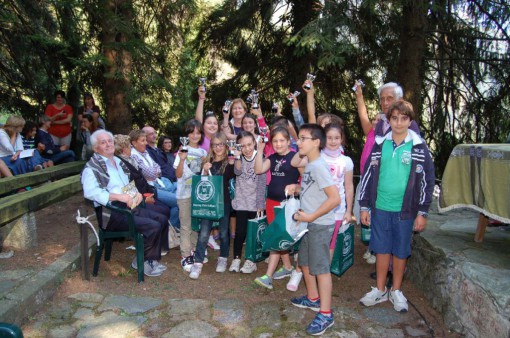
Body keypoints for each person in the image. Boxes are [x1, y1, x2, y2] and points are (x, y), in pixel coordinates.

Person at [358, 100, 435, 313]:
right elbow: (366, 176)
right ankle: (381, 289)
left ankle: (396, 290)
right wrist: (364, 206)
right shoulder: (380, 144)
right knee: (381, 249)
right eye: (394, 118)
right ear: (389, 120)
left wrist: (422, 211)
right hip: (380, 207)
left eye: (404, 118)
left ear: (410, 121)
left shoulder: (419, 147)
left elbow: (427, 180)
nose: (399, 122)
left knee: (400, 251)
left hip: (406, 211)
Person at [81, 130, 168, 277]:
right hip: (110, 214)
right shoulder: (91, 168)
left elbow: (126, 184)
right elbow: (90, 192)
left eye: (109, 141)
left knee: (161, 218)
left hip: (128, 207)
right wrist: (119, 197)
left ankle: (149, 259)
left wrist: (137, 195)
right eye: (103, 142)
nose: (108, 144)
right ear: (96, 148)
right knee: (153, 226)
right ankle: (143, 261)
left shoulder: (119, 162)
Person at [286, 123, 340, 336]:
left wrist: (311, 216)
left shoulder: (319, 166)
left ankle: (326, 313)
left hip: (319, 224)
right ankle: (312, 298)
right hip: (309, 224)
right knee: (305, 263)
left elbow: (334, 198)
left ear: (316, 142)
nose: (298, 142)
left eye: (303, 138)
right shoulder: (311, 163)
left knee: (321, 269)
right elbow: (309, 185)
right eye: (298, 138)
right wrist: (297, 188)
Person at [253, 127, 302, 290]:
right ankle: (288, 268)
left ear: (289, 141)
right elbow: (258, 170)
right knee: (278, 236)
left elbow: (306, 177)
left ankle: (268, 276)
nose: (278, 144)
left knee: (277, 237)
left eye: (282, 140)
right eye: (275, 141)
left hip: (288, 204)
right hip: (271, 202)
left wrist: (297, 186)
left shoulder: (295, 157)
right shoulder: (272, 158)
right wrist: (260, 150)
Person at [114, 134, 171, 256]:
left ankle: (160, 245)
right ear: (124, 149)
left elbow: (142, 181)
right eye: (129, 146)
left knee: (164, 209)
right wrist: (145, 199)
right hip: (134, 203)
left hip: (145, 194)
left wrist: (149, 194)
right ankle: (154, 245)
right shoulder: (120, 164)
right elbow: (127, 188)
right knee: (162, 211)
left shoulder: (130, 160)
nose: (131, 148)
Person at [189, 132, 236, 279]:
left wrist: (232, 163)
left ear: (225, 145)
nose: (218, 147)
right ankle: (198, 262)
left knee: (223, 232)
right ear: (211, 146)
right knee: (204, 233)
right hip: (207, 203)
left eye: (221, 144)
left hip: (224, 202)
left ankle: (222, 258)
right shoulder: (206, 160)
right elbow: (200, 182)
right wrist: (204, 170)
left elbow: (231, 176)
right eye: (215, 144)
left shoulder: (229, 161)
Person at [229, 131, 266, 273]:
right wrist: (237, 155)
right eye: (243, 146)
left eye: (249, 144)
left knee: (253, 233)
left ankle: (251, 260)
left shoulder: (260, 157)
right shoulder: (239, 158)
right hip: (241, 201)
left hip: (255, 203)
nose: (247, 148)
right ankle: (236, 258)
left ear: (254, 143)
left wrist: (260, 204)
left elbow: (262, 183)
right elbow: (237, 172)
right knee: (240, 232)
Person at [174, 119, 208, 272]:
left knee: (195, 224)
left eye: (198, 132)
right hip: (184, 193)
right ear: (186, 134)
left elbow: (203, 175)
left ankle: (194, 249)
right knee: (185, 225)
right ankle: (185, 255)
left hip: (198, 194)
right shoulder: (182, 149)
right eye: (192, 132)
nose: (195, 135)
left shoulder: (203, 152)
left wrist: (204, 165)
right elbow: (178, 174)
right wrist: (181, 160)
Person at [129, 129, 180, 230]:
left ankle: (171, 228)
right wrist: (154, 172)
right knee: (178, 200)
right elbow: (149, 173)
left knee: (179, 192)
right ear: (134, 143)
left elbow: (158, 167)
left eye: (145, 140)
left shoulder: (145, 152)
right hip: (150, 189)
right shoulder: (134, 156)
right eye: (143, 141)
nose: (146, 143)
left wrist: (154, 172)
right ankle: (170, 229)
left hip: (158, 183)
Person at [194, 86, 219, 151]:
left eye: (215, 123)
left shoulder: (219, 140)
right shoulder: (199, 138)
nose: (212, 125)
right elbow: (198, 121)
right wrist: (201, 98)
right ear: (203, 125)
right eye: (209, 123)